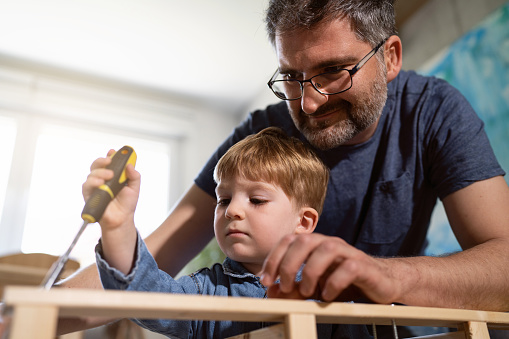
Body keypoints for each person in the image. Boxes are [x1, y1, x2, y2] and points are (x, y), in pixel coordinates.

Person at [59, 0, 509, 336]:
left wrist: (385, 274)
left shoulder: (434, 113)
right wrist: (21, 315)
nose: (308, 102)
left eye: (334, 71)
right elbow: (143, 276)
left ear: (389, 57)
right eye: (291, 77)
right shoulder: (257, 140)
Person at [89, 127, 364, 338]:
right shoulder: (205, 291)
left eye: (256, 200)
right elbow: (147, 298)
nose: (232, 211)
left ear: (303, 222)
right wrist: (118, 225)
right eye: (224, 199)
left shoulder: (331, 291)